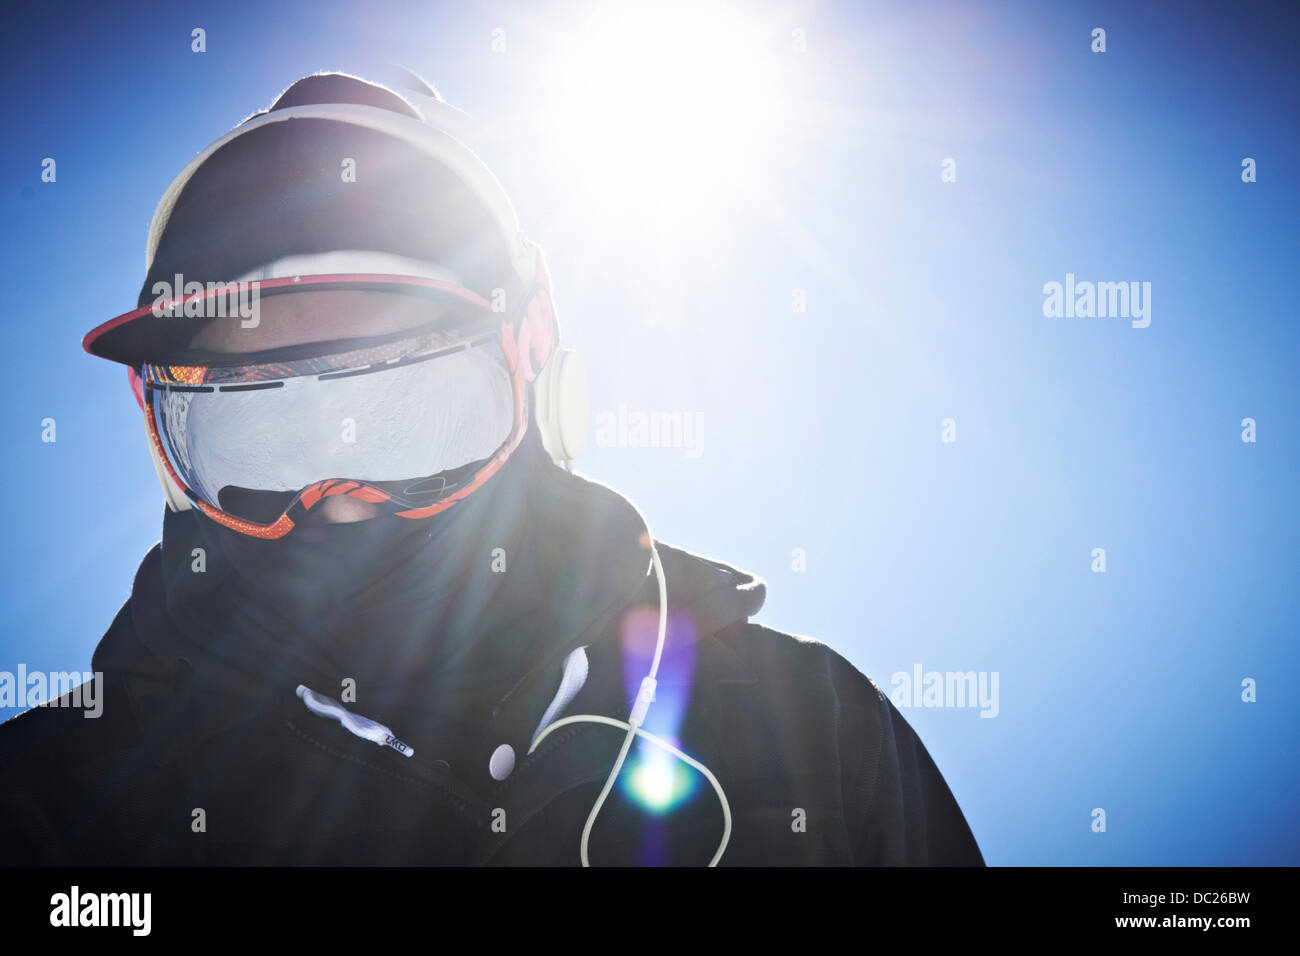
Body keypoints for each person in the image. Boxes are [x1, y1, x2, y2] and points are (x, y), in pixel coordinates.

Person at [0, 72, 983, 866]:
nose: (338, 503)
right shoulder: (53, 800)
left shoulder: (806, 732)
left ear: (529, 359)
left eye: (403, 405)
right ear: (167, 444)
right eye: (262, 426)